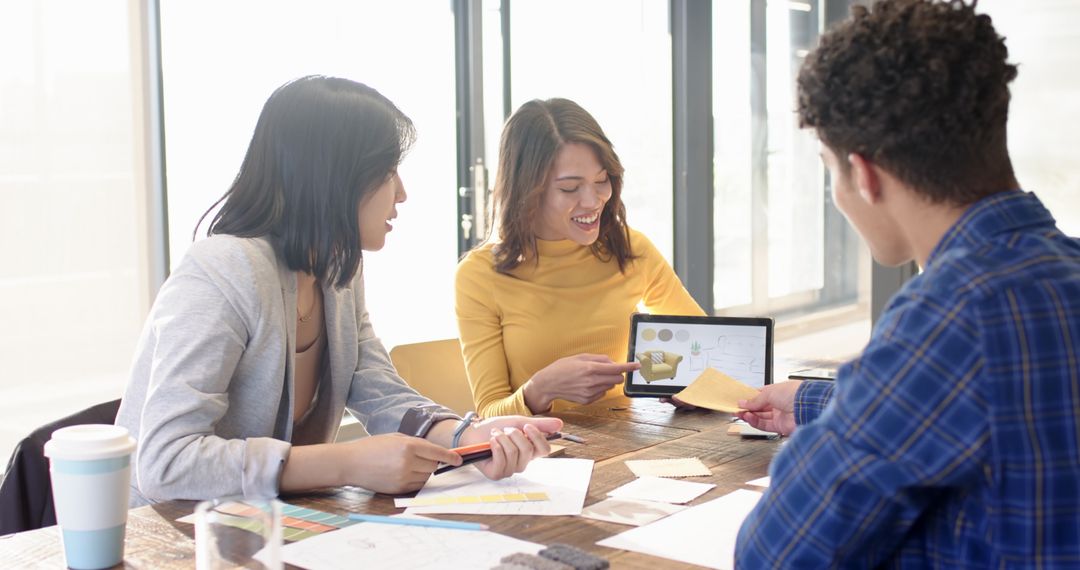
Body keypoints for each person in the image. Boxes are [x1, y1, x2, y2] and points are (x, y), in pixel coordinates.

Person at [733, 0, 1080, 566]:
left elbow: (776, 552)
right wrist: (818, 401)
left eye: (828, 166)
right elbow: (990, 413)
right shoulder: (1061, 271)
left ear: (864, 174)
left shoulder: (952, 315)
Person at [115, 76, 561, 507]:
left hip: (265, 528)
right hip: (166, 539)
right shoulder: (226, 268)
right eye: (388, 172)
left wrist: (470, 437)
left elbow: (380, 393)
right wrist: (346, 462)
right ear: (334, 178)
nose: (402, 193)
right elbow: (165, 462)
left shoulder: (336, 271)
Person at [455, 98, 705, 418]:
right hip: (544, 456)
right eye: (571, 188)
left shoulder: (631, 250)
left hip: (631, 442)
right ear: (526, 191)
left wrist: (692, 386)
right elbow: (490, 412)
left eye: (602, 181)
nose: (593, 201)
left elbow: (703, 351)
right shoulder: (478, 275)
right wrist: (540, 389)